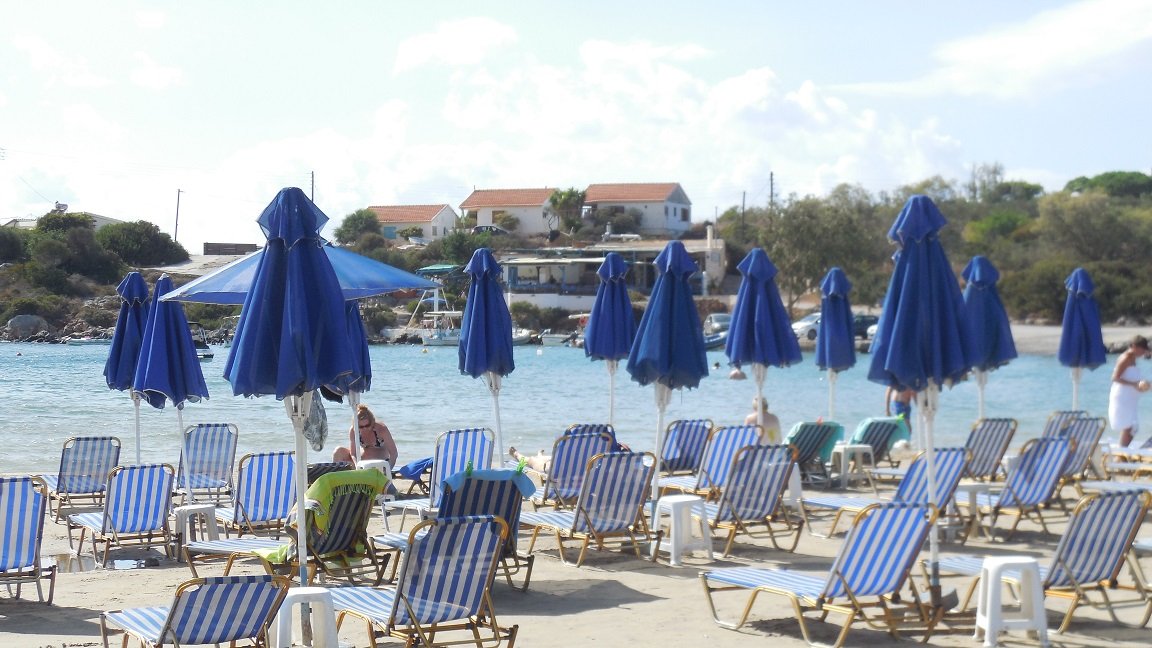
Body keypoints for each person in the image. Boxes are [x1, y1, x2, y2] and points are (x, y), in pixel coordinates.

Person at [1109, 335, 1152, 447]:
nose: (1143, 352)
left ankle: (1122, 449)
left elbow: (1131, 377)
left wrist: (1144, 385)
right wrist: (1134, 384)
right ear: (1133, 346)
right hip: (1122, 396)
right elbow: (1115, 377)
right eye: (1142, 349)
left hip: (1130, 397)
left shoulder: (1133, 358)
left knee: (1132, 427)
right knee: (1129, 426)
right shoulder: (1125, 358)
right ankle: (1121, 449)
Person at [333, 404, 398, 468]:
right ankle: (337, 472)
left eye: (367, 425)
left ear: (372, 422)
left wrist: (389, 468)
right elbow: (353, 453)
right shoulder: (354, 430)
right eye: (361, 427)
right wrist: (357, 465)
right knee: (338, 451)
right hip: (362, 459)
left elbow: (394, 453)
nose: (364, 429)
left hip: (380, 460)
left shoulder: (381, 429)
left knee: (371, 457)